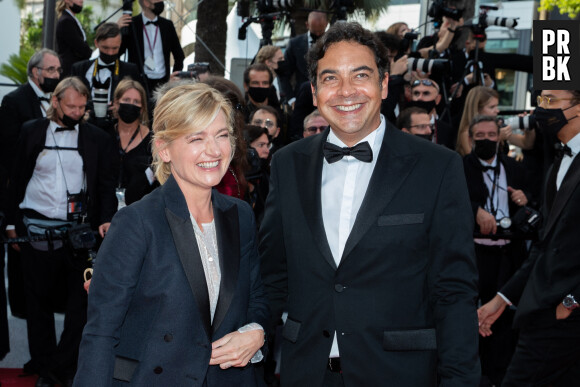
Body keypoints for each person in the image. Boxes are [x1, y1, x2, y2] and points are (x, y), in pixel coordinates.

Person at [259, 21, 480, 386]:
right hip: (307, 372)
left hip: (398, 373)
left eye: (360, 75)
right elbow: (272, 277)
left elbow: (453, 290)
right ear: (314, 92)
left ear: (384, 84)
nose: (346, 91)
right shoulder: (287, 164)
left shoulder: (437, 167)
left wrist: (459, 380)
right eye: (330, 79)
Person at [74, 83, 269, 386]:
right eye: (196, 138)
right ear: (164, 148)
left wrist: (257, 332)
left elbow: (256, 297)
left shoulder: (240, 215)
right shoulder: (136, 223)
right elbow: (101, 334)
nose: (214, 150)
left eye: (221, 135)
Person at [5, 77, 117, 387]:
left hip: (79, 234)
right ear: (55, 102)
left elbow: (105, 184)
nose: (78, 112)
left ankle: (61, 367)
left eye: (83, 107)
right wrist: (12, 224)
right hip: (34, 229)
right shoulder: (31, 132)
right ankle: (43, 365)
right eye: (72, 106)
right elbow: (15, 180)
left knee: (80, 305)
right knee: (36, 302)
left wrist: (106, 218)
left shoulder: (97, 138)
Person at [478, 89, 580, 386]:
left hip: (562, 314)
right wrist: (501, 299)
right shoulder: (558, 163)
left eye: (550, 101)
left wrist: (572, 302)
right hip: (545, 308)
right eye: (539, 101)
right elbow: (545, 244)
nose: (540, 109)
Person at [463, 115, 531, 385]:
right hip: (475, 255)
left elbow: (532, 204)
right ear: (471, 139)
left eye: (492, 135)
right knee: (472, 315)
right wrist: (475, 211)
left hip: (509, 254)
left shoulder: (514, 166)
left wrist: (523, 199)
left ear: (500, 137)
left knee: (504, 318)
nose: (487, 140)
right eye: (480, 136)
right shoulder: (459, 166)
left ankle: (500, 376)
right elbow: (451, 204)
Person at [117, 0, 185, 96]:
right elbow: (117, 53)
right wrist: (116, 29)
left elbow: (179, 56)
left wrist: (175, 78)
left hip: (163, 84)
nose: (161, 1)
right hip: (138, 83)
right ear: (146, 2)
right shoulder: (132, 24)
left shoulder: (167, 25)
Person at [71, 23, 142, 111]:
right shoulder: (79, 69)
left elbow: (141, 100)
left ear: (120, 44)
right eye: (105, 48)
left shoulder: (130, 70)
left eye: (115, 48)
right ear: (96, 43)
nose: (110, 53)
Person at [110, 79, 157, 207]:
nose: (131, 105)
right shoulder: (105, 135)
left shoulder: (153, 142)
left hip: (142, 213)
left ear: (142, 108)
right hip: (105, 216)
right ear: (116, 102)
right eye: (126, 100)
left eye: (136, 102)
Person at [279, 10, 328, 105]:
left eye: (320, 31)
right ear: (307, 25)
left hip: (327, 98)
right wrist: (291, 99)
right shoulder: (295, 44)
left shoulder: (333, 43)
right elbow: (284, 74)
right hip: (301, 100)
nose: (318, 35)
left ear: (326, 24)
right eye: (315, 31)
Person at [456, 86, 501, 156]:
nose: (497, 110)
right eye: (492, 107)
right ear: (477, 109)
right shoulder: (466, 133)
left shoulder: (498, 126)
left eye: (497, 106)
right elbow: (474, 162)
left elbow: (522, 143)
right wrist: (499, 138)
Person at [55, 0, 92, 76]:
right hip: (70, 73)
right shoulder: (66, 21)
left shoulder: (71, 19)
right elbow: (81, 49)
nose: (81, 1)